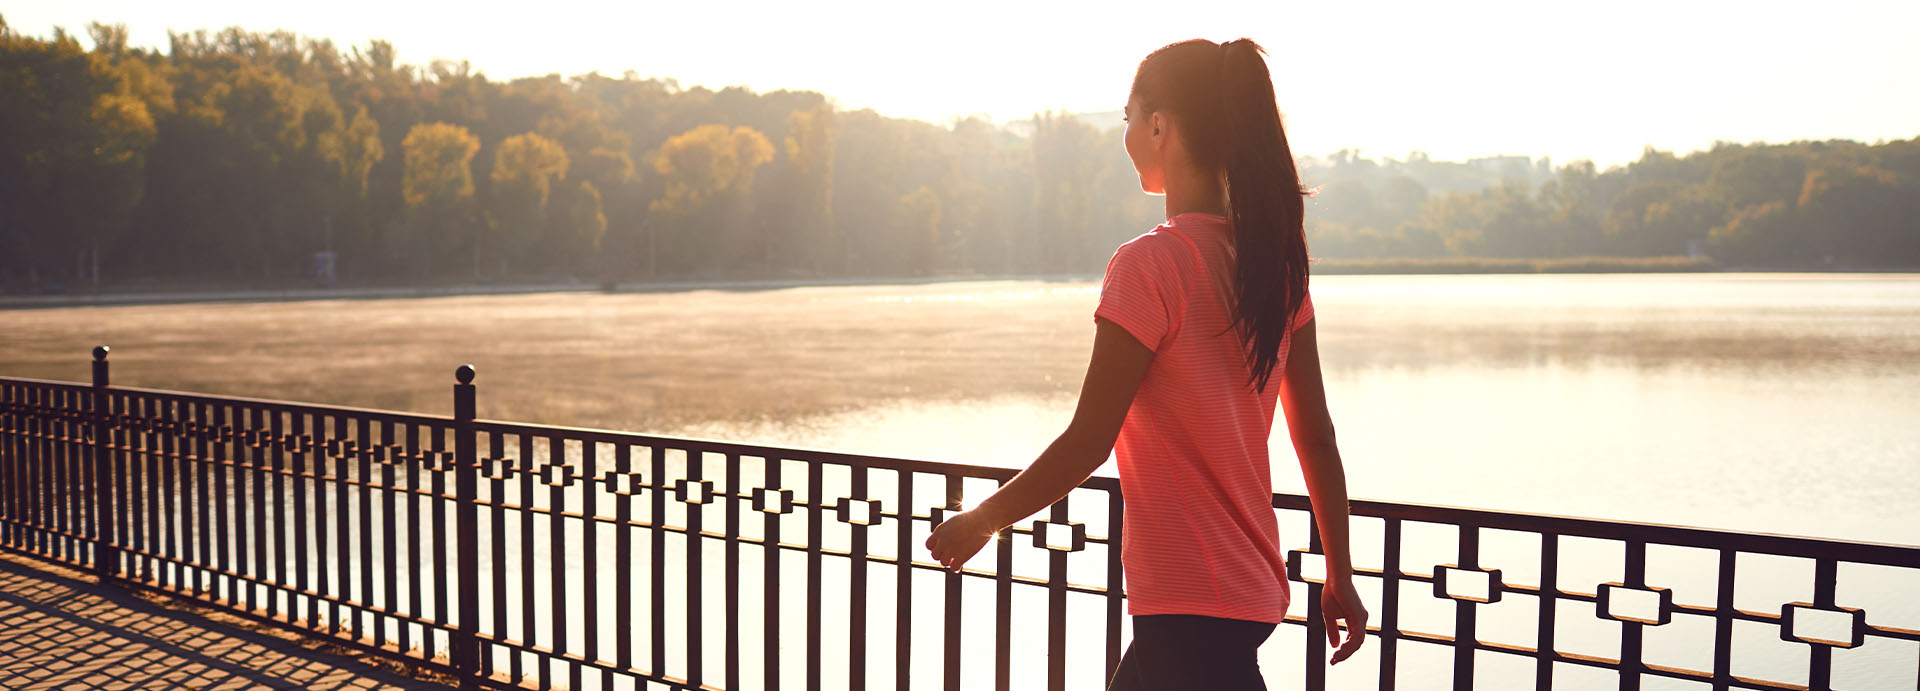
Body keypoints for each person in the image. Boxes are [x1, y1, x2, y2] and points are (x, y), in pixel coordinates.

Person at [924, 37, 1368, 689]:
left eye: (1128, 116)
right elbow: (1317, 436)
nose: (1124, 133)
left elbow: (1088, 439)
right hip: (1247, 595)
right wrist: (1341, 572)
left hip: (1188, 610)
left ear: (1160, 126)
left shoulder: (1150, 265)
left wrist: (982, 518)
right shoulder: (1274, 269)